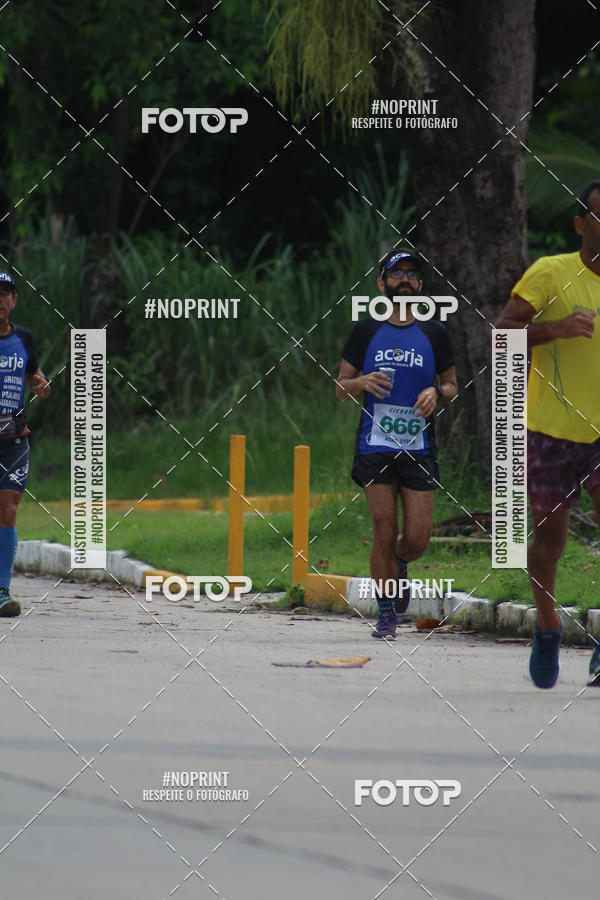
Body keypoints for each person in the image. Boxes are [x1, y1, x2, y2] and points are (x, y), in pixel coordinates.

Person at [495, 182, 600, 688]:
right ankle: (547, 625)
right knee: (549, 541)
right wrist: (555, 329)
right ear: (581, 223)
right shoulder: (552, 272)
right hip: (552, 432)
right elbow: (502, 332)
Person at [335, 248, 457, 639]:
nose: (404, 279)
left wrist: (437, 393)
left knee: (417, 538)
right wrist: (361, 383)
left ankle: (402, 564)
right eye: (396, 273)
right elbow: (340, 387)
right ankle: (386, 612)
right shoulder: (366, 331)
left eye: (411, 274)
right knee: (383, 529)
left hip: (419, 445)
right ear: (381, 284)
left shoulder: (435, 332)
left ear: (419, 286)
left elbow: (452, 385)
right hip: (375, 443)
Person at [0, 271, 50, 617]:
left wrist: (40, 383)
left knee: (8, 511)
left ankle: (2, 591)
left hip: (14, 439)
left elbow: (32, 373)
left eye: (6, 293)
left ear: (14, 301)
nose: (0, 299)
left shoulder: (25, 339)